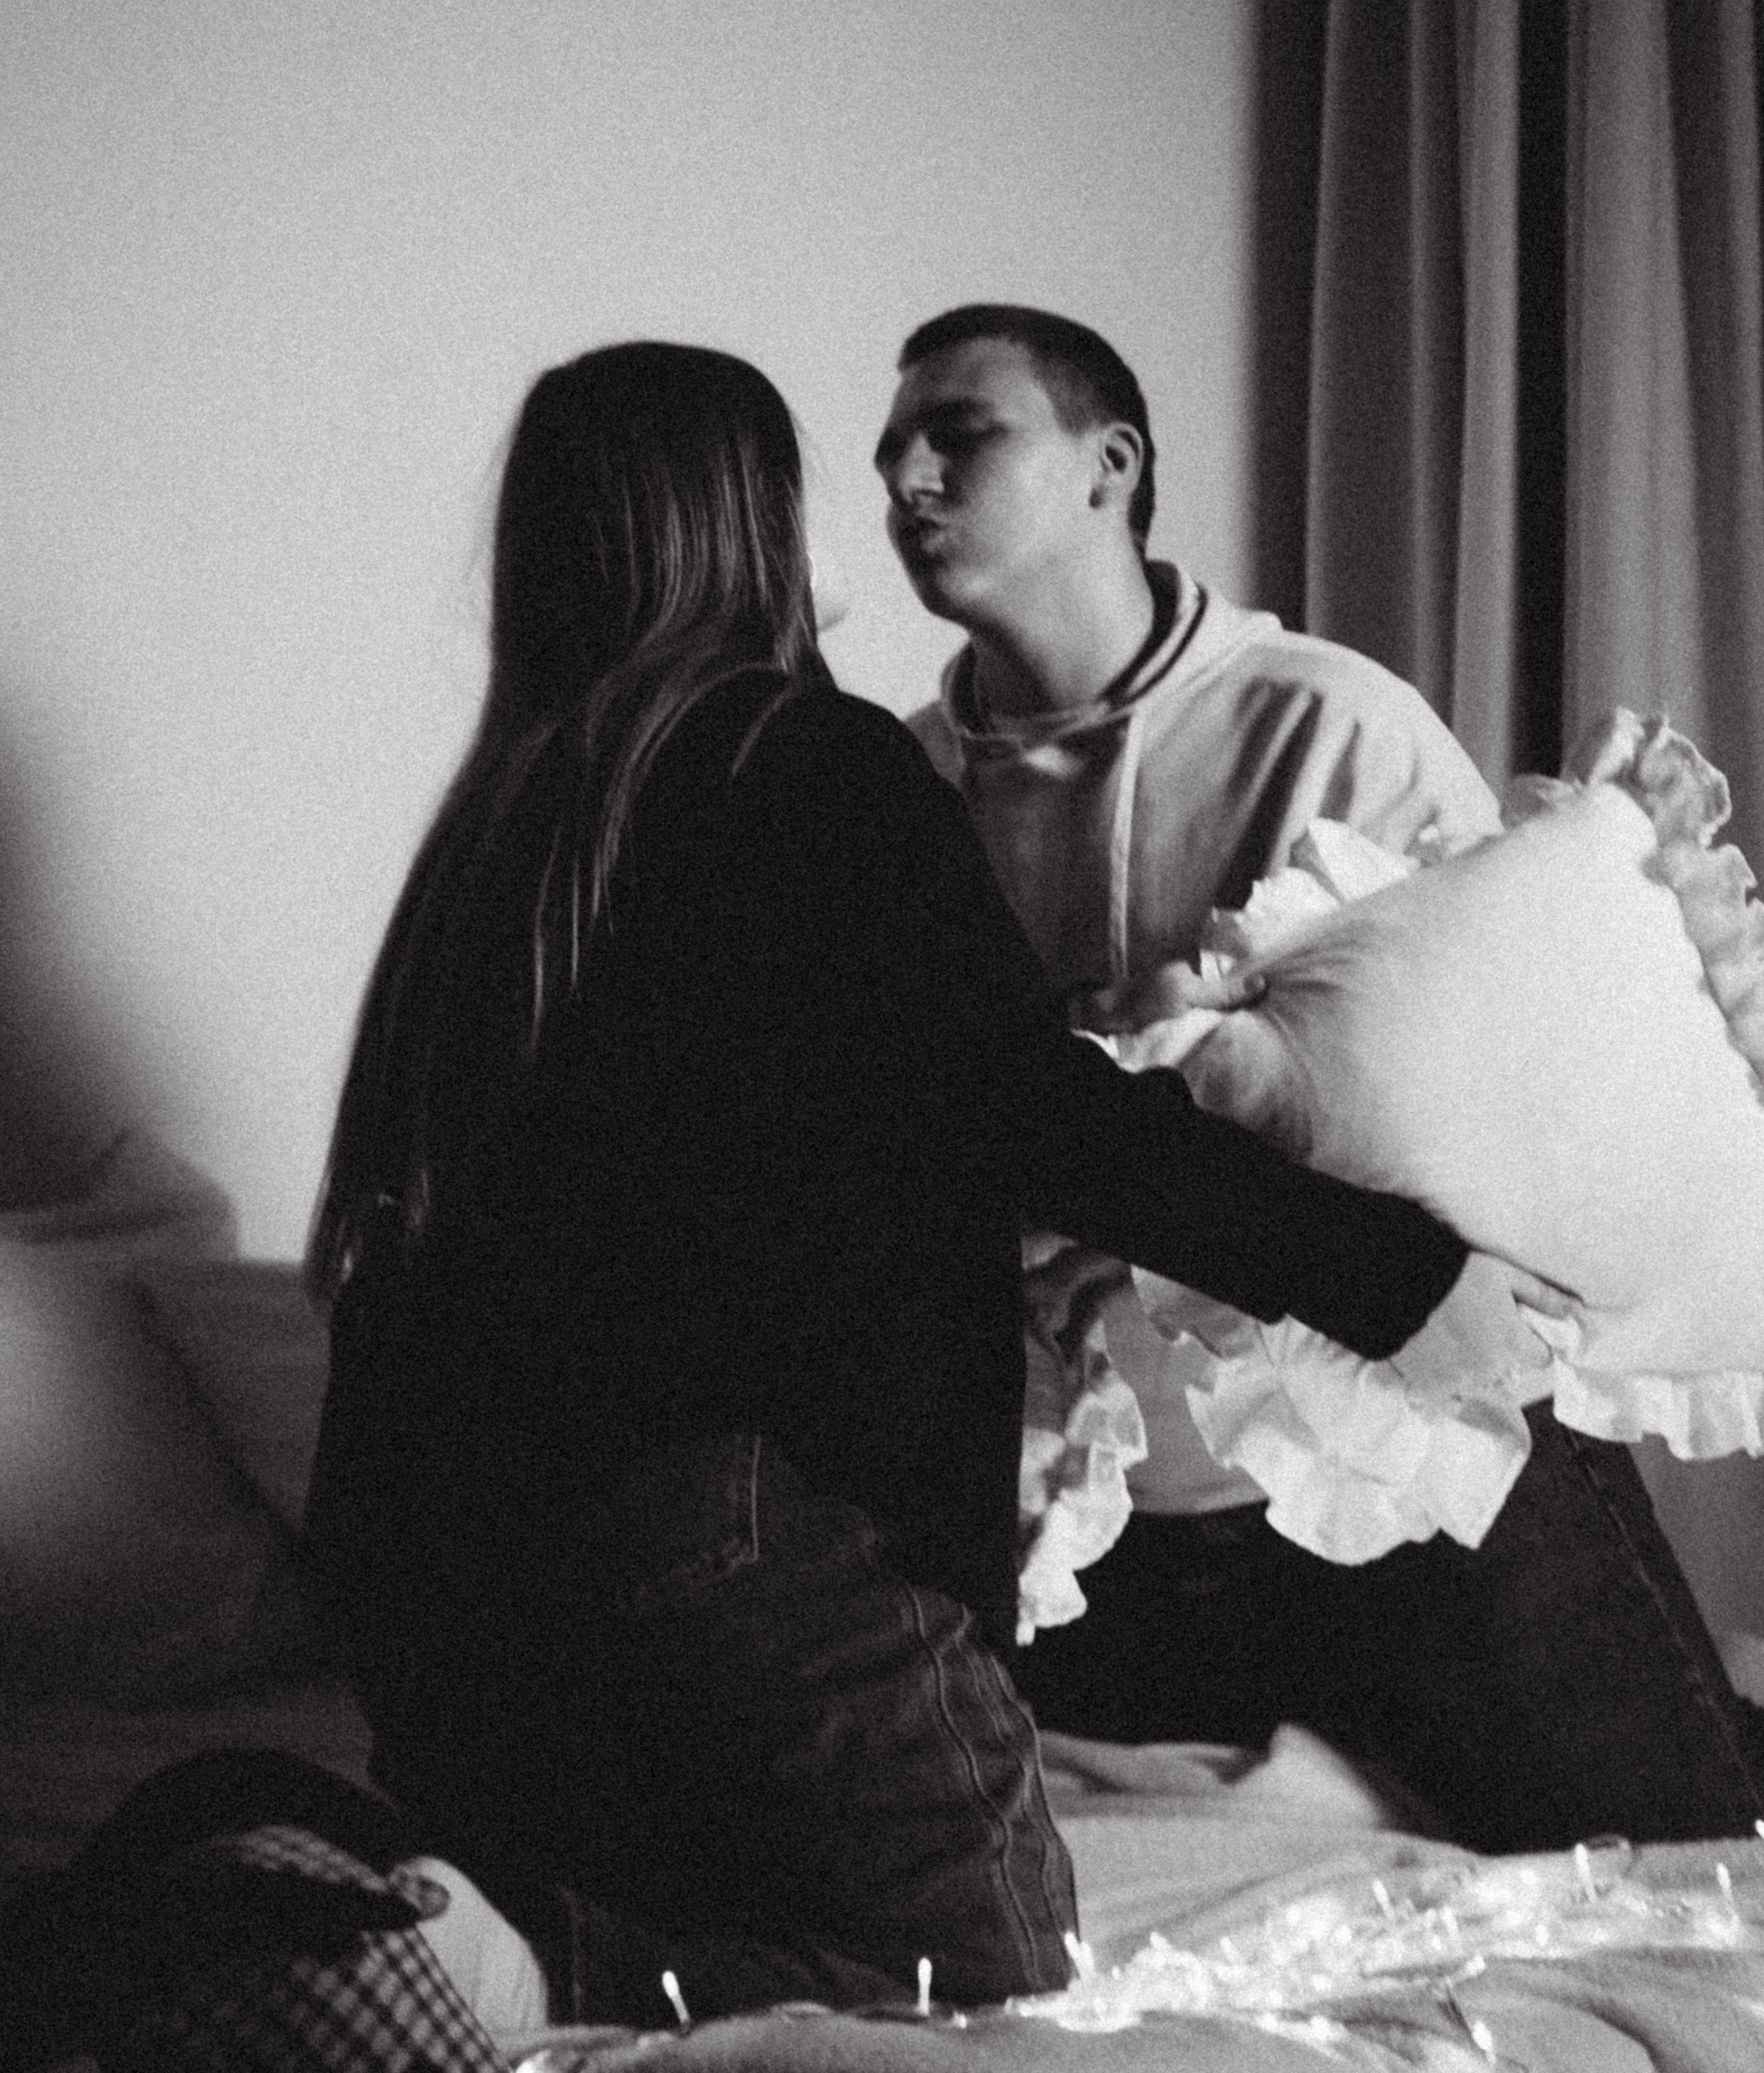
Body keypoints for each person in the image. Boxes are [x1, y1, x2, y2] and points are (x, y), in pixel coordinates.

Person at [287, 339, 1548, 2033]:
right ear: (743, 519)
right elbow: (1033, 1109)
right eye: (827, 479)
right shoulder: (796, 762)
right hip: (707, 1542)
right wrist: (1399, 1282)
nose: (884, 500)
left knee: (708, 1897)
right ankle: (525, 1963)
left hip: (434, 1587)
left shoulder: (503, 830)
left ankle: (413, 1904)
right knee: (986, 1985)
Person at [876, 299, 1764, 1857]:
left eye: (961, 436)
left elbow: (1509, 1113)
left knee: (1685, 1863)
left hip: (1414, 1460)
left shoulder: (1331, 721)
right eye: (892, 454)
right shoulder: (892, 793)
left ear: (1108, 466)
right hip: (1104, 1528)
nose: (908, 481)